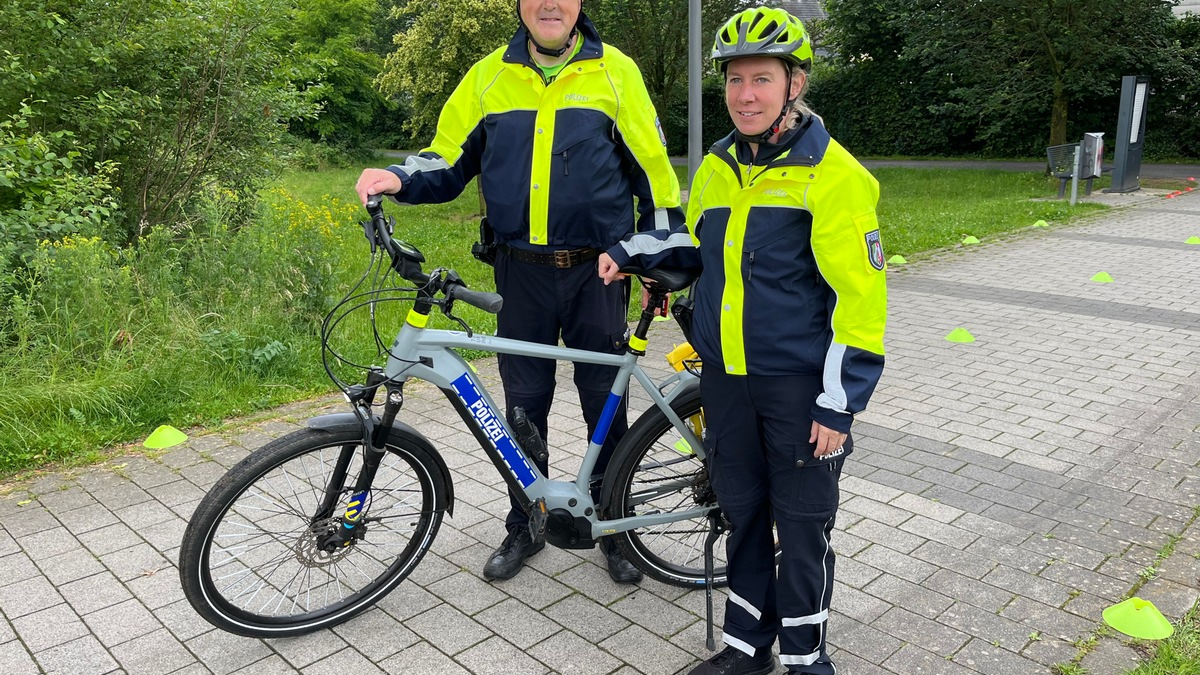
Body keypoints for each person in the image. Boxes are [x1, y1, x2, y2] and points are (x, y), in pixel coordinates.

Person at [597, 7, 887, 674]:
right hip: (726, 380)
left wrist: (838, 405)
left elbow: (861, 303)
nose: (745, 95)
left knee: (804, 529)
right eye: (734, 80)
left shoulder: (836, 176)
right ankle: (746, 651)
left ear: (795, 83)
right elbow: (694, 243)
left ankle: (809, 658)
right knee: (743, 516)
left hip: (798, 388)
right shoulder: (720, 164)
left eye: (761, 78)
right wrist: (636, 254)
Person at [355, 0, 683, 585]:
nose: (550, 3)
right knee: (522, 403)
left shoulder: (616, 72)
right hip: (519, 271)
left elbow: (654, 177)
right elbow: (448, 158)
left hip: (597, 272)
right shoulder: (488, 76)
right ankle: (526, 521)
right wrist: (399, 177)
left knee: (601, 400)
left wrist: (658, 255)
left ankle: (614, 526)